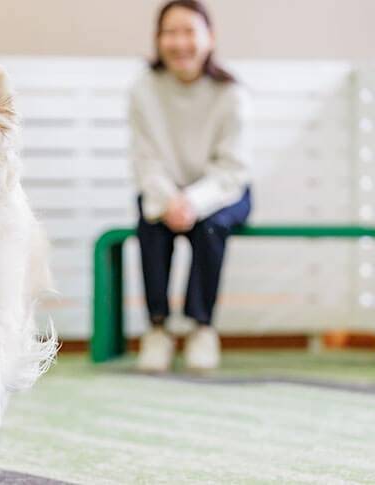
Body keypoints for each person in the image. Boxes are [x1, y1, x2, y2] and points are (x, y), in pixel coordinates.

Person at [129, 0, 252, 372]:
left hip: (224, 191)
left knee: (210, 227)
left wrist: (194, 202)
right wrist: (171, 200)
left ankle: (202, 328)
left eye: (189, 32)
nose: (180, 42)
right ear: (158, 39)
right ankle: (158, 328)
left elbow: (233, 168)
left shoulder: (231, 93)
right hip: (166, 190)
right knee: (151, 223)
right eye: (171, 32)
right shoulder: (143, 90)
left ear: (209, 38)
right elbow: (145, 160)